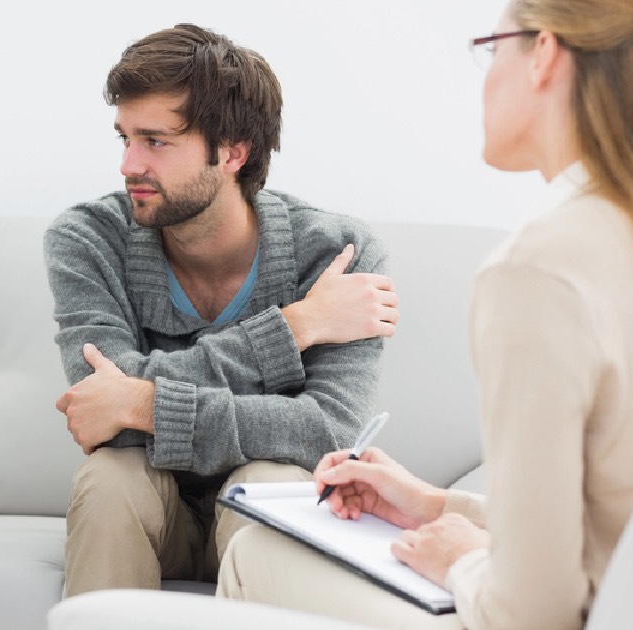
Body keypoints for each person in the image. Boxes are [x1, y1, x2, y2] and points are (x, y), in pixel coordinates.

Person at [216, 1, 633, 629]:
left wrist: (462, 561)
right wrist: (435, 508)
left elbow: (532, 613)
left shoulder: (536, 271)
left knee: (256, 552)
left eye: (493, 46)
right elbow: (627, 526)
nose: (485, 77)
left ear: (543, 53)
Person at [45, 23, 400, 595]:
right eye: (125, 138)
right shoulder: (89, 238)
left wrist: (141, 400)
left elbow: (329, 433)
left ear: (234, 151)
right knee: (112, 477)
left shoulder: (335, 253)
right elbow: (99, 418)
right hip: (149, 518)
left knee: (267, 480)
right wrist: (296, 325)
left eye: (156, 141)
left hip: (267, 520)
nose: (129, 164)